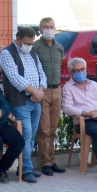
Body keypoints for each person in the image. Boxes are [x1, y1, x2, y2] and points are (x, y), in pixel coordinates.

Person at [0, 26, 47, 183]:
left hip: (35, 99)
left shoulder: (31, 52)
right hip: (20, 101)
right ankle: (26, 170)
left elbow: (42, 73)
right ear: (18, 39)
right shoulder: (7, 53)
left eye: (31, 43)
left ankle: (25, 166)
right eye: (26, 43)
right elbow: (14, 77)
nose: (29, 45)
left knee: (31, 135)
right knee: (25, 134)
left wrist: (39, 90)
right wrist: (34, 92)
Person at [33, 17, 67, 176]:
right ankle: (45, 162)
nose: (49, 29)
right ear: (40, 29)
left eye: (51, 26)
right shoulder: (35, 47)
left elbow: (60, 67)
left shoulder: (59, 47)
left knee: (53, 128)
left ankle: (51, 161)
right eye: (45, 27)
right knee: (44, 129)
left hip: (57, 89)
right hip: (43, 90)